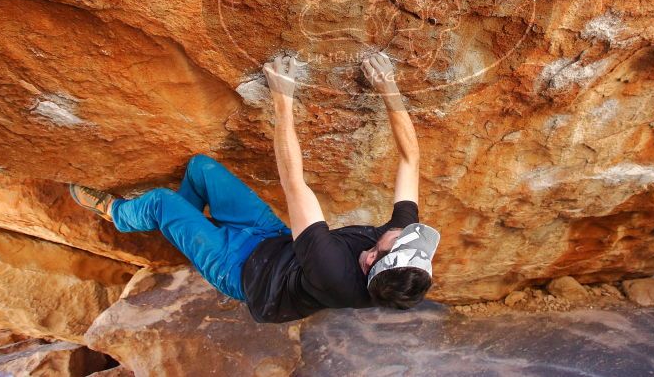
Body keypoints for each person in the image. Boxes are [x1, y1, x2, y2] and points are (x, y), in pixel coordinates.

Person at [70, 52, 440, 323]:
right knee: (201, 169)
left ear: (373, 259)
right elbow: (410, 161)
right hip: (273, 240)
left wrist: (283, 98)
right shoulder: (396, 248)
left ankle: (119, 215)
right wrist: (388, 87)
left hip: (241, 271)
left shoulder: (334, 272)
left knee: (163, 203)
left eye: (401, 241)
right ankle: (179, 227)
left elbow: (293, 181)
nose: (405, 232)